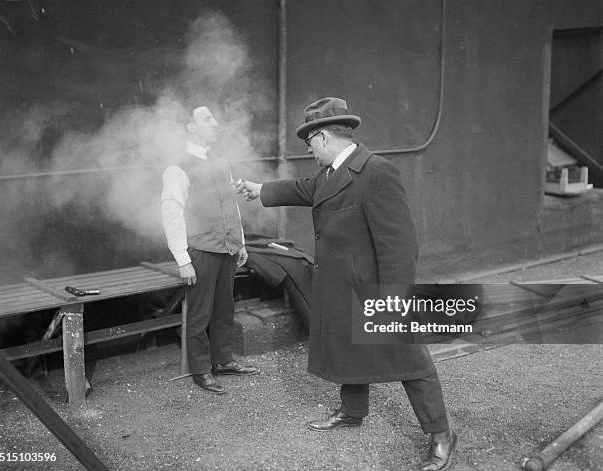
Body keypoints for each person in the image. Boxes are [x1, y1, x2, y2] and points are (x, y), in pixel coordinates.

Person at [236, 97, 457, 470]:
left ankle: (441, 434)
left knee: (409, 360)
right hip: (342, 287)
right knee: (346, 347)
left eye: (310, 144)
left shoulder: (377, 172)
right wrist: (261, 190)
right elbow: (304, 189)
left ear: (322, 137)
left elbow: (401, 245)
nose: (309, 152)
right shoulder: (329, 173)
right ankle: (353, 412)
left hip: (375, 290)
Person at [161, 106, 258, 395]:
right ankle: (201, 370)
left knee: (224, 309)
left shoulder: (221, 161)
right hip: (201, 251)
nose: (216, 123)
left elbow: (233, 204)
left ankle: (223, 361)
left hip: (227, 248)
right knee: (200, 314)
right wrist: (182, 259)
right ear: (190, 127)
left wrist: (240, 242)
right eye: (207, 119)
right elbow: (171, 212)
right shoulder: (177, 167)